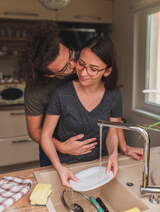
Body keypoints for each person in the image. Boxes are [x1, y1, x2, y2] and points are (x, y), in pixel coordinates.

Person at [15, 22, 143, 167]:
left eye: (71, 55)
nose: (76, 66)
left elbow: (113, 120)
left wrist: (124, 147)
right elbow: (35, 131)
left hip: (92, 152)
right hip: (54, 145)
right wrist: (61, 147)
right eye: (66, 67)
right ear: (49, 76)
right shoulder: (37, 91)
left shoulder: (83, 61)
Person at [40, 35, 132, 188]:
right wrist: (58, 166)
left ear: (107, 72)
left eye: (93, 69)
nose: (83, 73)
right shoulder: (61, 93)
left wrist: (113, 155)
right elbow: (45, 136)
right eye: (81, 64)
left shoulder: (114, 95)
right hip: (67, 167)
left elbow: (112, 133)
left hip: (99, 167)